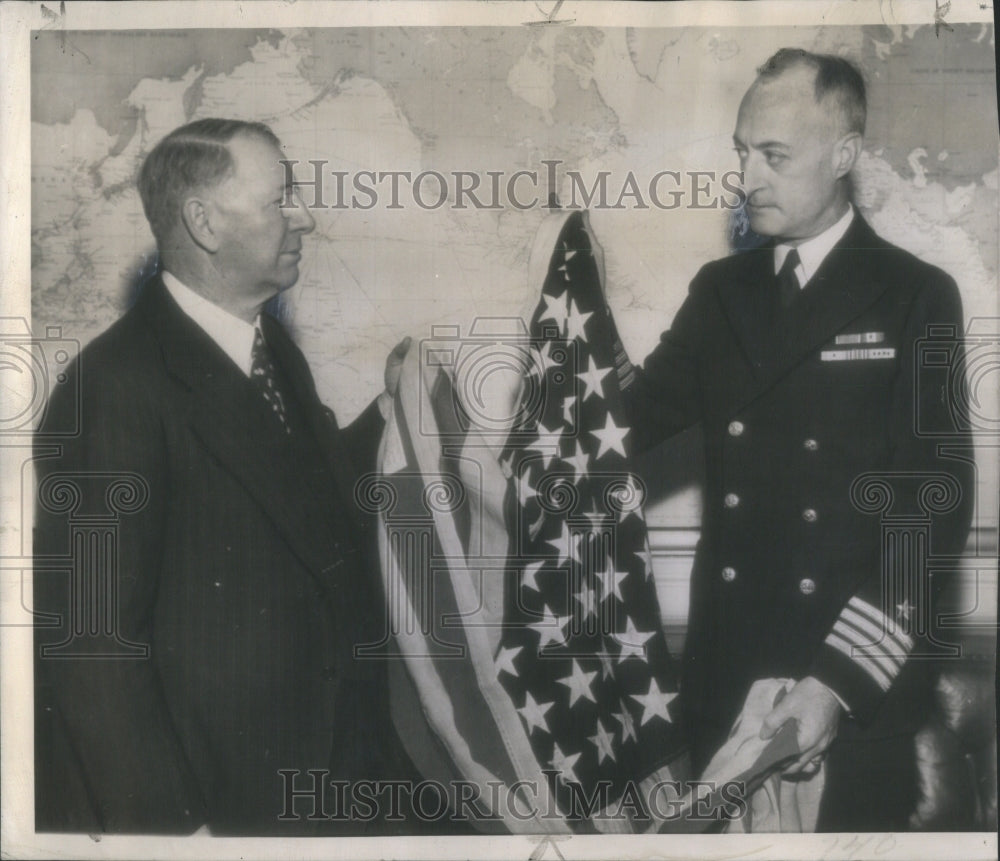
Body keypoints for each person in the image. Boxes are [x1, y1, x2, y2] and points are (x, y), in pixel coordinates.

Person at [622, 49, 973, 830]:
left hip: (848, 698)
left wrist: (834, 684)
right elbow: (622, 424)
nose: (747, 176)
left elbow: (928, 513)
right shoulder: (721, 293)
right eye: (742, 152)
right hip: (725, 689)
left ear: (844, 154)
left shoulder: (914, 294)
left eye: (773, 155)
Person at [33, 118, 414, 835]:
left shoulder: (270, 352)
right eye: (278, 200)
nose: (300, 218)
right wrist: (175, 835)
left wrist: (395, 404)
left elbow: (301, 496)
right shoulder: (113, 388)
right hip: (225, 807)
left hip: (327, 780)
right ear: (205, 222)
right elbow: (92, 644)